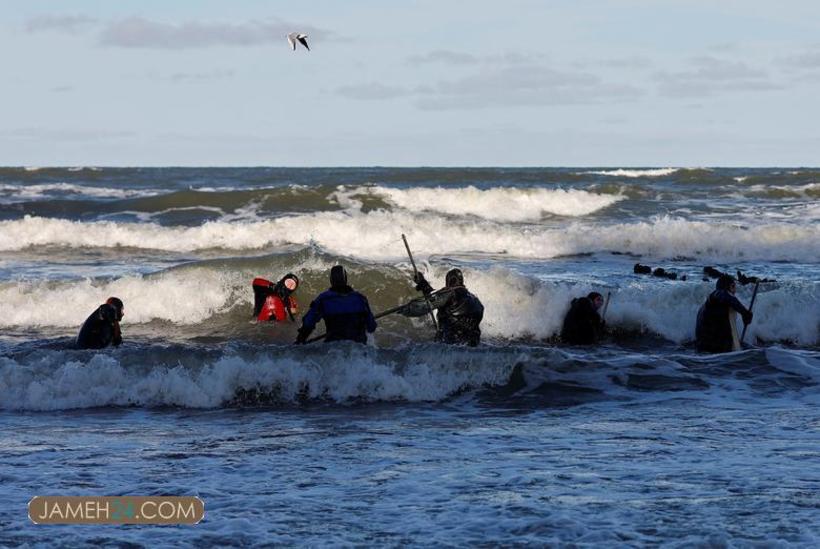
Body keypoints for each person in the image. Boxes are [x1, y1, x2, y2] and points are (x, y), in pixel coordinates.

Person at [401, 269, 484, 346]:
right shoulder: (476, 301)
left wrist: (404, 310)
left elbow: (422, 307)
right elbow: (437, 298)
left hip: (450, 345)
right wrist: (424, 284)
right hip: (472, 345)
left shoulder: (450, 293)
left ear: (448, 282)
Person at [295, 265, 377, 344]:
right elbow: (371, 327)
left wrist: (300, 340)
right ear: (345, 280)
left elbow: (308, 323)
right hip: (358, 350)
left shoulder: (323, 299)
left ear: (331, 281)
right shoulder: (360, 299)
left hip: (334, 349)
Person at [695, 275, 753, 353]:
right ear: (730, 286)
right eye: (733, 287)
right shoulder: (717, 295)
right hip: (712, 350)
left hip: (705, 350)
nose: (735, 291)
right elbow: (725, 295)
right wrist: (744, 312)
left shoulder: (707, 305)